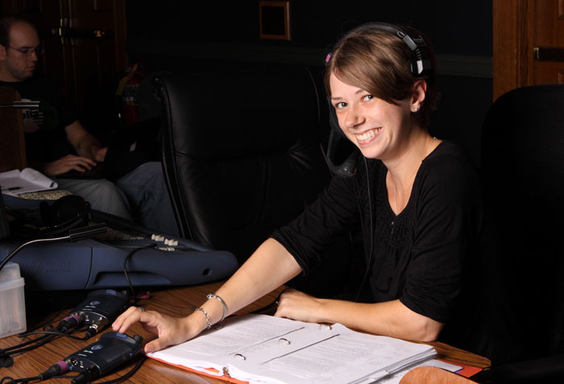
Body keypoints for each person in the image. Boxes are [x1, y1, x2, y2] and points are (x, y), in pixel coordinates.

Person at [113, 22, 483, 353]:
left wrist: (318, 309)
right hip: (389, 351)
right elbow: (293, 243)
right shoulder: (369, 168)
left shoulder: (446, 175)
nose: (352, 119)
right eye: (341, 103)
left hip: (463, 362)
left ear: (416, 95)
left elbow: (422, 322)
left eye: (368, 96)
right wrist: (193, 322)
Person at [0, 15, 178, 235]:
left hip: (75, 172)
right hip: (37, 182)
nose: (34, 57)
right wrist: (44, 167)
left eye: (38, 50)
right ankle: (135, 259)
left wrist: (95, 150)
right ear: (1, 51)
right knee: (105, 192)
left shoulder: (45, 85)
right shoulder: (3, 97)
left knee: (155, 173)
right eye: (25, 51)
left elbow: (80, 138)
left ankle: (176, 254)